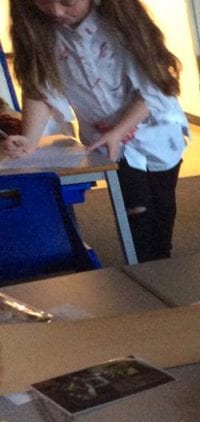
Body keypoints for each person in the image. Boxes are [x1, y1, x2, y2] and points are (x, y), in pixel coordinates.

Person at [2, 0, 189, 262]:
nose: (56, 11)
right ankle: (148, 265)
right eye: (43, 1)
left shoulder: (122, 26)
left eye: (68, 2)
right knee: (137, 212)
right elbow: (39, 88)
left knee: (162, 205)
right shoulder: (42, 33)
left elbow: (154, 85)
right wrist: (29, 140)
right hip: (107, 141)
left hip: (155, 129)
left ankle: (161, 257)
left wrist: (120, 129)